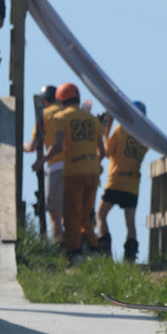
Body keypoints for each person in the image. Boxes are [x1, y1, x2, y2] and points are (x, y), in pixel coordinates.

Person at [41, 82, 105, 265]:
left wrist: (43, 160)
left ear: (60, 100)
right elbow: (102, 152)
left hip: (73, 172)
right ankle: (94, 251)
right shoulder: (92, 120)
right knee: (86, 216)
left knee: (70, 216)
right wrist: (95, 162)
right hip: (92, 173)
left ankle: (75, 254)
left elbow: (58, 144)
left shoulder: (60, 117)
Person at [96, 101, 150, 263]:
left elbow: (106, 151)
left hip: (116, 180)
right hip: (133, 184)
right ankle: (130, 258)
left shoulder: (121, 130)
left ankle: (106, 254)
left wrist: (106, 131)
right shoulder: (144, 139)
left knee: (100, 215)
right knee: (130, 223)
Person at [27, 85, 65, 244]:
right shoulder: (66, 113)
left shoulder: (44, 115)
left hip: (56, 167)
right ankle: (75, 251)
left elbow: (32, 146)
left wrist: (17, 144)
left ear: (44, 100)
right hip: (76, 167)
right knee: (70, 215)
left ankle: (59, 253)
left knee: (55, 215)